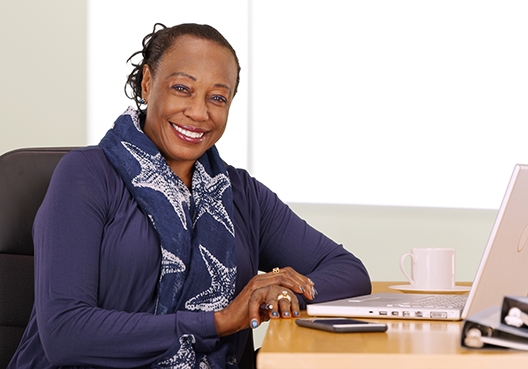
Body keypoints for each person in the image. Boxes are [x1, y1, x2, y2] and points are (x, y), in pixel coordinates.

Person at [8, 23, 371, 369]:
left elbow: (350, 272)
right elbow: (65, 333)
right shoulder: (86, 175)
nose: (199, 113)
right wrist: (219, 321)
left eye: (217, 97)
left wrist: (278, 294)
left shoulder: (240, 193)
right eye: (182, 88)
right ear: (148, 83)